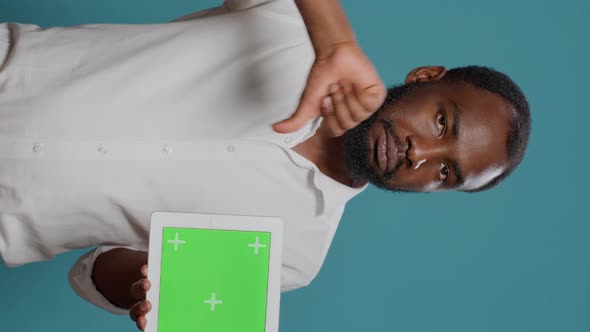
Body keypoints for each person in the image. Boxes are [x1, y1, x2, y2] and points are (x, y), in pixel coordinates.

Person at [0, 0, 531, 329]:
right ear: (424, 76)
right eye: (442, 123)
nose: (423, 154)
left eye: (446, 173)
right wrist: (335, 39)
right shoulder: (292, 26)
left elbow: (95, 270)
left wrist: (143, 286)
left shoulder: (295, 253)